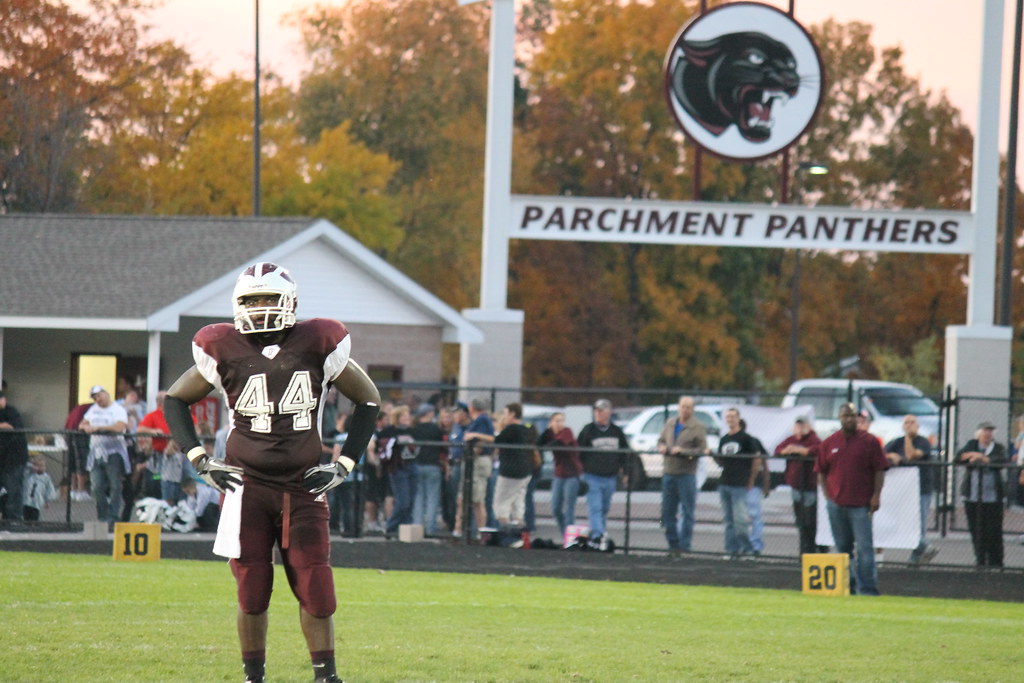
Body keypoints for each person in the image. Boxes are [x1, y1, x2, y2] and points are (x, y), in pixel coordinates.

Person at [163, 261, 380, 683]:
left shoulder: (318, 340)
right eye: (251, 300)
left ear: (290, 302)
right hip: (245, 488)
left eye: (268, 298)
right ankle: (253, 677)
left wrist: (344, 465)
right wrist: (199, 459)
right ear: (237, 305)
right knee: (252, 592)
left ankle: (326, 676)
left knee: (317, 591)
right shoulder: (220, 345)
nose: (260, 308)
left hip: (302, 486)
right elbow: (175, 400)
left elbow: (368, 400)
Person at [814, 403, 888, 595]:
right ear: (839, 418)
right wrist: (827, 496)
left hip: (860, 504)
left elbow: (880, 469)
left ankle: (868, 588)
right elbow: (821, 471)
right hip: (836, 504)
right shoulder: (829, 442)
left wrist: (876, 495)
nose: (849, 419)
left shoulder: (869, 441)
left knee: (865, 548)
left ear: (857, 417)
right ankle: (848, 586)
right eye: (845, 416)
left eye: (852, 415)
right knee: (842, 548)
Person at [884, 415, 938, 565]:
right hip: (904, 491)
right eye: (906, 423)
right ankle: (926, 548)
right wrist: (891, 455)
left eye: (912, 423)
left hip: (922, 490)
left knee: (919, 525)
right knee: (902, 523)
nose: (909, 425)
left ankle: (915, 560)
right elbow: (880, 455)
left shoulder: (923, 442)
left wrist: (908, 438)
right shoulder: (896, 442)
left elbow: (911, 455)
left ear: (918, 426)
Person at [656, 396, 707, 554]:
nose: (685, 410)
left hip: (686, 474)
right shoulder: (671, 423)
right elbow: (661, 440)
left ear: (692, 410)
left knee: (687, 511)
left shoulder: (697, 427)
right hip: (669, 472)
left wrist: (683, 452)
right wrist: (662, 447)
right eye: (683, 406)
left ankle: (685, 546)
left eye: (688, 407)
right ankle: (673, 544)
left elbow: (702, 450)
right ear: (678, 407)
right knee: (667, 512)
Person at [577, 398, 630, 546]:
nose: (598, 414)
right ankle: (597, 536)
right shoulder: (588, 430)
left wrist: (625, 472)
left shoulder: (616, 431)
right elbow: (578, 451)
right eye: (596, 411)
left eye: (601, 411)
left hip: (610, 477)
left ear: (609, 412)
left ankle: (598, 534)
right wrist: (580, 471)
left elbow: (624, 453)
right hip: (592, 476)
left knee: (604, 508)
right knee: (595, 507)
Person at [956, 421, 1008, 568]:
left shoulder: (998, 448)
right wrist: (972, 455)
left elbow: (1000, 461)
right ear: (979, 432)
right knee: (977, 531)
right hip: (972, 497)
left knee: (994, 531)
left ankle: (996, 562)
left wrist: (981, 457)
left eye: (990, 431)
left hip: (993, 498)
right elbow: (959, 457)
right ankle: (980, 560)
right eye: (985, 430)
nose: (988, 434)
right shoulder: (971, 444)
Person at [79, 385, 131, 527]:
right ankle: (103, 515)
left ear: (105, 394)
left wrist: (100, 428)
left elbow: (120, 427)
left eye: (99, 396)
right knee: (96, 486)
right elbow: (82, 424)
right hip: (96, 452)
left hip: (114, 451)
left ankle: (113, 515)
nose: (97, 400)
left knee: (115, 485)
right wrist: (86, 427)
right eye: (95, 398)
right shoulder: (93, 410)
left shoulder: (118, 410)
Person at [714, 407, 760, 559]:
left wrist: (751, 479)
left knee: (740, 520)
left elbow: (756, 458)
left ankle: (747, 549)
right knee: (728, 521)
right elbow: (721, 462)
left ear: (738, 419)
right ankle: (731, 550)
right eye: (728, 417)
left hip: (739, 484)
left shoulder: (746, 439)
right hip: (725, 483)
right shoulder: (724, 439)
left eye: (733, 416)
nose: (730, 419)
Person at [774, 416, 823, 555]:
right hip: (795, 485)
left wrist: (801, 450)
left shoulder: (813, 439)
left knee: (810, 521)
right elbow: (778, 450)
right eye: (798, 426)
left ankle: (815, 549)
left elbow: (818, 450)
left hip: (810, 486)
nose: (800, 429)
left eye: (803, 426)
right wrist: (788, 450)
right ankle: (804, 552)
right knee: (801, 521)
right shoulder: (791, 439)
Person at [487, 403, 533, 527]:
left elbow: (496, 440)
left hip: (511, 472)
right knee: (517, 503)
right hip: (525, 471)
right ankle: (520, 530)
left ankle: (506, 531)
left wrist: (476, 435)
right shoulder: (524, 429)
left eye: (505, 413)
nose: (504, 416)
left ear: (512, 414)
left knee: (501, 503)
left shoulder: (512, 428)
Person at [537, 411, 581, 537]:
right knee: (556, 508)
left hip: (572, 474)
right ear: (551, 423)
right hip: (559, 474)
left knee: (568, 508)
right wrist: (547, 431)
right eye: (556, 421)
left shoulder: (567, 432)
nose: (560, 423)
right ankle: (565, 534)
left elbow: (559, 444)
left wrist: (549, 442)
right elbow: (539, 444)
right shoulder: (551, 434)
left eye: (561, 420)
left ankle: (570, 537)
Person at [378, 405, 417, 538]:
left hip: (412, 466)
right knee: (403, 501)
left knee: (411, 501)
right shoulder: (389, 430)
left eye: (408, 416)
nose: (407, 418)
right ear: (398, 418)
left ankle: (405, 530)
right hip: (398, 468)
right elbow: (383, 447)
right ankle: (390, 527)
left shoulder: (413, 431)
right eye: (404, 416)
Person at [461, 397, 495, 538]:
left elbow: (486, 439)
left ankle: (481, 532)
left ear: (472, 407)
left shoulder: (482, 420)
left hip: (479, 461)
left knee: (477, 499)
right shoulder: (480, 420)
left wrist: (473, 438)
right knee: (471, 498)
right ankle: (473, 530)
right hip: (477, 461)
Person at [411, 403, 446, 535]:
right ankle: (431, 527)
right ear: (430, 414)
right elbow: (443, 447)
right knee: (432, 497)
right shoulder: (436, 430)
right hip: (433, 464)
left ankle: (417, 526)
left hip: (417, 464)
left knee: (418, 497)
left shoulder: (414, 429)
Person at [740, 418, 769, 554]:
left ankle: (755, 545)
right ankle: (743, 545)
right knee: (739, 516)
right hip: (736, 484)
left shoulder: (752, 441)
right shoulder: (730, 440)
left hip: (752, 485)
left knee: (754, 514)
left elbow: (762, 460)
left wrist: (764, 482)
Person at [0, 390, 29, 521]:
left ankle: (15, 519)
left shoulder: (11, 412)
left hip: (14, 458)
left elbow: (10, 427)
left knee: (13, 489)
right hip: (2, 458)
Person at [440, 405, 464, 534]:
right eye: (443, 417)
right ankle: (446, 519)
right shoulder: (440, 430)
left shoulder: (457, 430)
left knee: (453, 494)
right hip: (442, 465)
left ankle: (453, 522)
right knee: (445, 495)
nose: (446, 419)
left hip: (453, 465)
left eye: (449, 416)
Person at [22, 455, 58, 521]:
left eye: (42, 466)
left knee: (34, 518)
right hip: (26, 501)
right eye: (38, 466)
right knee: (25, 517)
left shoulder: (46, 478)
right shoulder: (29, 474)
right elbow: (25, 466)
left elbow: (49, 489)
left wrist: (47, 500)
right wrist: (31, 467)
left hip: (36, 502)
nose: (40, 468)